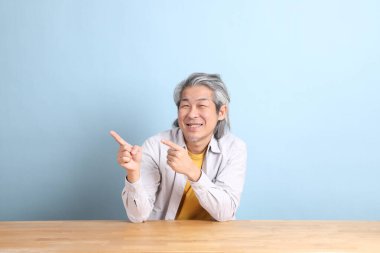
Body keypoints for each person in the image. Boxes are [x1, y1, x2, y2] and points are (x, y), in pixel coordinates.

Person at [110, 73, 247, 222]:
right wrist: (133, 174)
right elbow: (137, 216)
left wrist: (193, 172)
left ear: (221, 112)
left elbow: (225, 213)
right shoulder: (156, 146)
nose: (192, 114)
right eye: (185, 106)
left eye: (202, 105)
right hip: (166, 240)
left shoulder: (234, 148)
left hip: (215, 241)